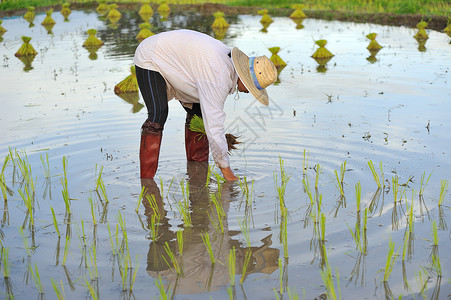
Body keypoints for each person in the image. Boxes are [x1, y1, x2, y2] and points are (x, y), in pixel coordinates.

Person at [133, 29, 277, 182]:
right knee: (158, 115)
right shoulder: (218, 78)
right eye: (251, 88)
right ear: (243, 76)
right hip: (152, 56)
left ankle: (196, 173)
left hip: (181, 64)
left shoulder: (224, 69)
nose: (249, 92)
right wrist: (226, 170)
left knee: (199, 117)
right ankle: (147, 183)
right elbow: (214, 126)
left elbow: (209, 118)